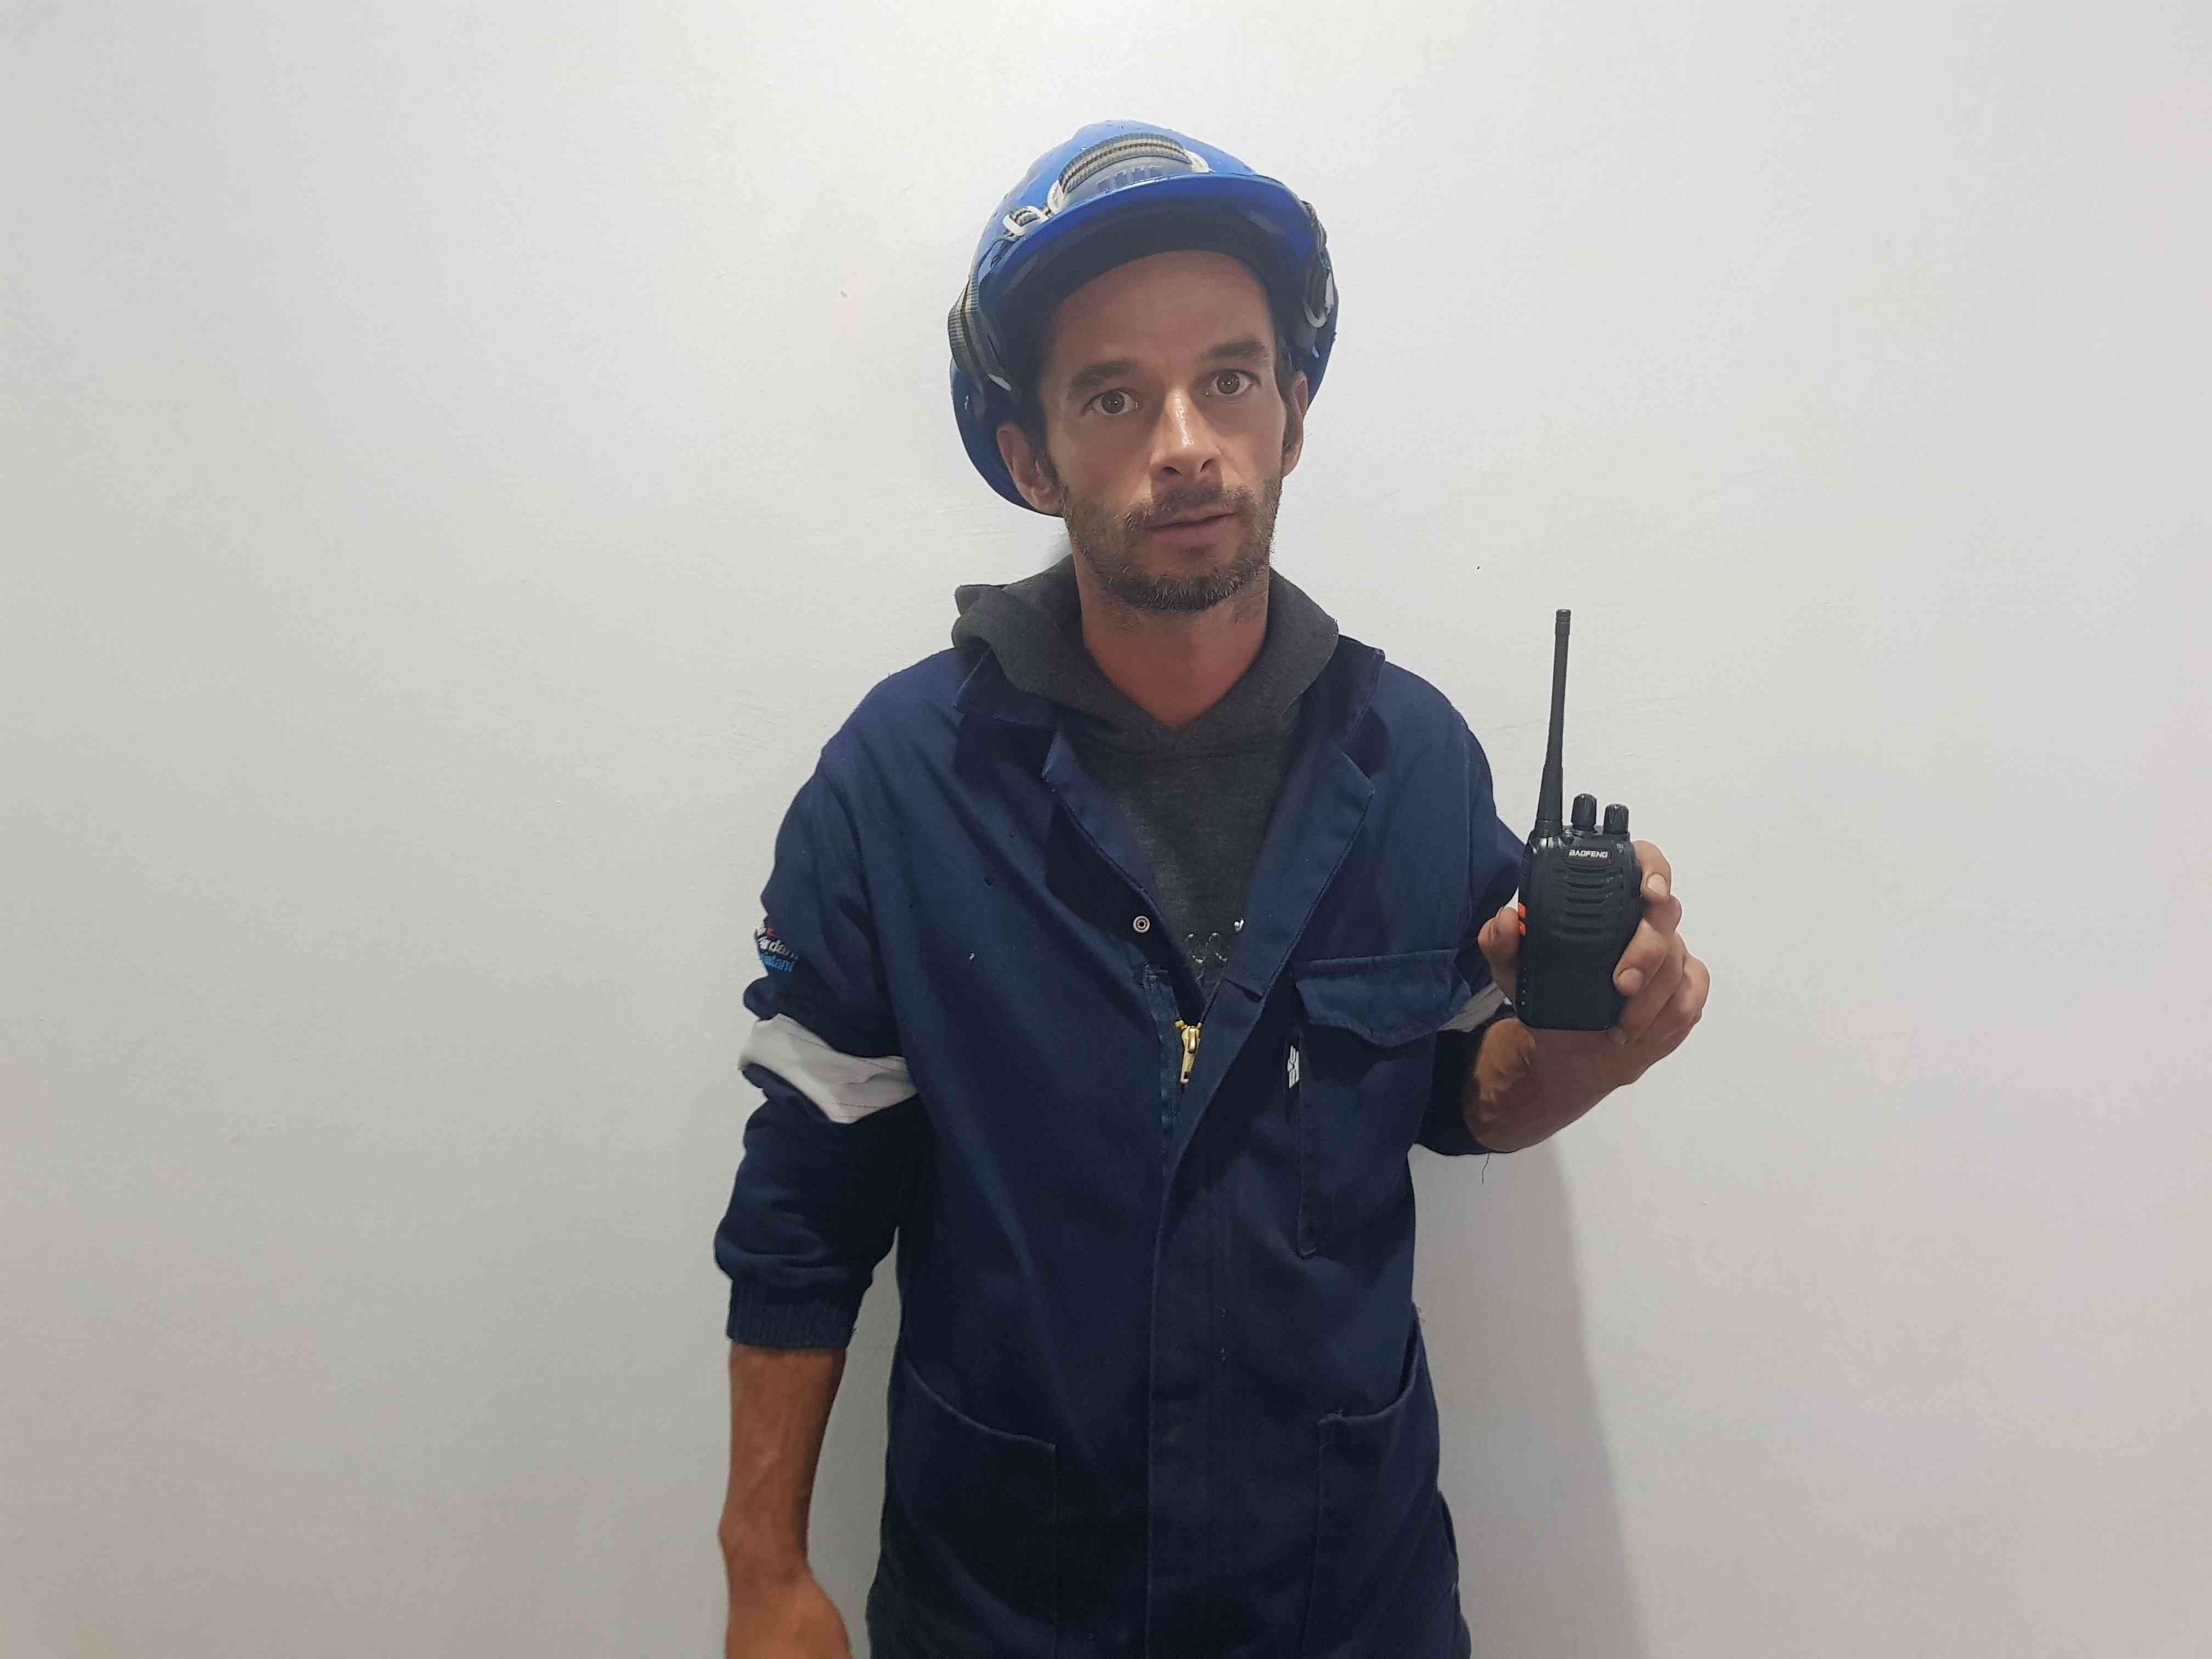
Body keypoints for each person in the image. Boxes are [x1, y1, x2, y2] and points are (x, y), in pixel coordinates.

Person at [714, 121, 1709, 1659]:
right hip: (1008, 1609)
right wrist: (764, 1568)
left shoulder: (1414, 760)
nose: (1185, 442)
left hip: (1344, 1603)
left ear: (1293, 416)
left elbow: (1467, 1099)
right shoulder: (900, 784)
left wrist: (1598, 1046)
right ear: (1030, 455)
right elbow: (806, 1201)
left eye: (1230, 379)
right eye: (1114, 396)